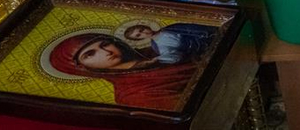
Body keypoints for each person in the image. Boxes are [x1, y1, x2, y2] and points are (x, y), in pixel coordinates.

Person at [48, 32, 199, 111]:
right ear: (81, 68)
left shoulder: (152, 50)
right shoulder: (134, 94)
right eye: (90, 54)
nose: (105, 52)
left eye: (105, 44)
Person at [121, 22, 217, 64]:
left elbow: (195, 29)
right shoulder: (157, 46)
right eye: (139, 35)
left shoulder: (171, 28)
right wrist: (157, 59)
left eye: (142, 29)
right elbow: (175, 56)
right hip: (202, 51)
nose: (144, 33)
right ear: (140, 39)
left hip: (209, 38)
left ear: (145, 26)